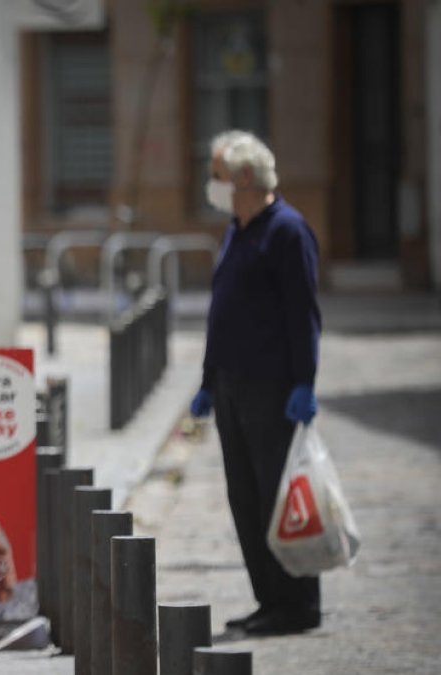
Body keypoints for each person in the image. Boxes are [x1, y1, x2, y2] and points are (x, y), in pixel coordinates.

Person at [189, 130, 322, 636]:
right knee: (244, 499)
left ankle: (298, 604)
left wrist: (304, 382)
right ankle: (269, 600)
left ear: (244, 178)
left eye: (217, 175)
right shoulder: (236, 229)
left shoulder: (287, 231)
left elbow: (302, 313)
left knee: (278, 500)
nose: (211, 184)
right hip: (229, 385)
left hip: (272, 389)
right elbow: (221, 314)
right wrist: (206, 380)